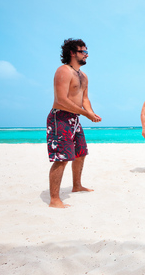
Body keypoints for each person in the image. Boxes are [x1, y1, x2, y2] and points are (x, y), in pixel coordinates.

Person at [46, 38, 102, 208]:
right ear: (72, 53)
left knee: (81, 152)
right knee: (61, 158)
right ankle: (54, 199)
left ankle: (77, 186)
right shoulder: (63, 71)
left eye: (86, 51)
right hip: (60, 117)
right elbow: (61, 99)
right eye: (83, 51)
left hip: (75, 118)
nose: (87, 54)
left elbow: (85, 99)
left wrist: (91, 113)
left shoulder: (83, 76)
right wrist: (85, 114)